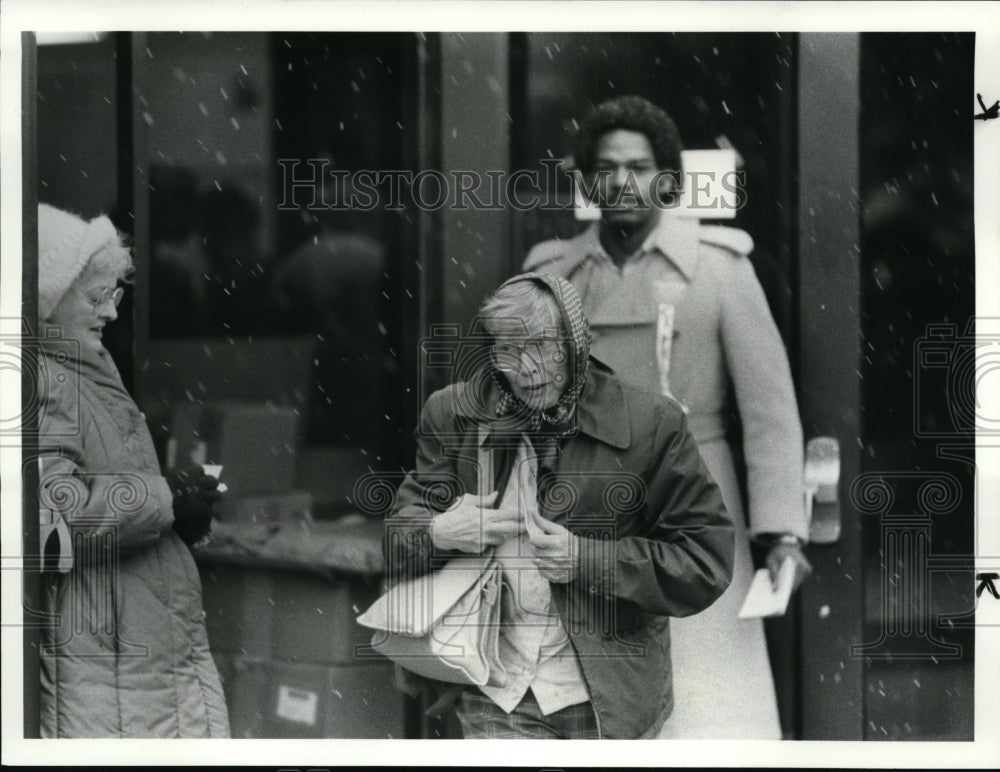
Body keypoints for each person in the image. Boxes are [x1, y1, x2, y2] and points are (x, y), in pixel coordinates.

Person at [524, 95, 812, 739]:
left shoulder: (719, 271)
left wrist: (782, 533)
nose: (622, 182)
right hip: (585, 503)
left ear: (669, 180)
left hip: (696, 497)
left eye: (640, 166)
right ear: (586, 181)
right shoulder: (550, 275)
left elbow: (769, 413)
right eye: (606, 167)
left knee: (710, 691)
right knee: (596, 687)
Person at [383, 272, 734, 739]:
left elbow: (705, 559)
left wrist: (586, 559)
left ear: (576, 345)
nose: (528, 369)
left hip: (608, 694)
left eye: (544, 347)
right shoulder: (453, 415)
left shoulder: (651, 424)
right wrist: (440, 531)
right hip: (496, 687)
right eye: (510, 350)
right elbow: (396, 537)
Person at [35, 203, 230, 737]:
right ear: (47, 299)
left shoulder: (83, 370)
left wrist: (178, 518)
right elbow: (53, 525)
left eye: (114, 295)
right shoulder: (46, 382)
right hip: (113, 674)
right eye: (96, 297)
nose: (112, 312)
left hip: (134, 670)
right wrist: (165, 498)